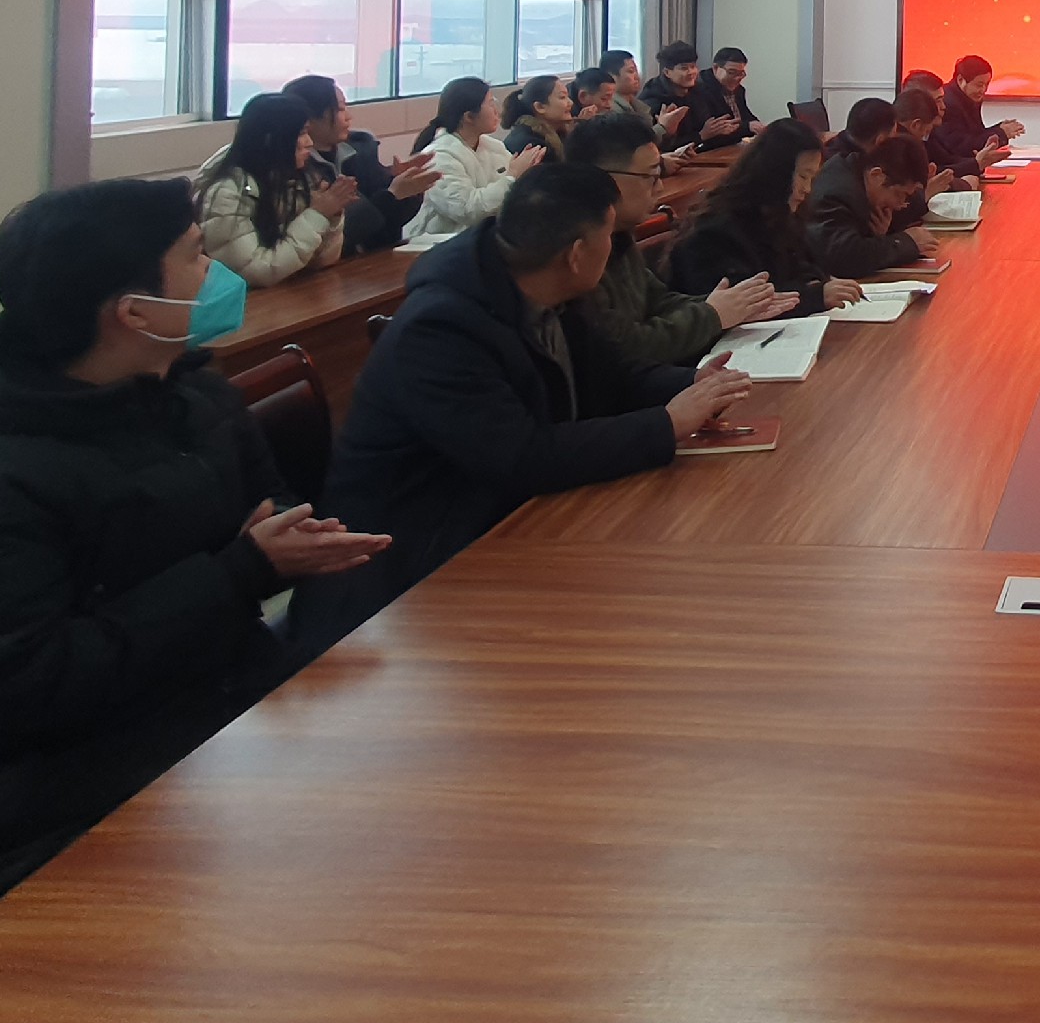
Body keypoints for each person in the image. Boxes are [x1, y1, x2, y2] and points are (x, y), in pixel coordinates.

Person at [0, 180, 387, 940]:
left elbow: (269, 509)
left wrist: (269, 549)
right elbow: (17, 689)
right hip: (80, 802)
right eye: (197, 256)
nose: (216, 274)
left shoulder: (192, 397)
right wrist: (240, 571)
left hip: (223, 716)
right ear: (135, 313)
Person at [304, 164, 751, 642]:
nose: (615, 247)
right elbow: (522, 456)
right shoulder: (441, 330)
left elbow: (612, 375)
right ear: (576, 254)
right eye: (608, 236)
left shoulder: (545, 286)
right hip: (408, 577)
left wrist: (692, 384)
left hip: (503, 522)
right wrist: (665, 424)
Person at [558, 112, 788, 384]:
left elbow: (657, 300)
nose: (659, 188)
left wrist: (735, 305)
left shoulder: (619, 235)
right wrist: (713, 315)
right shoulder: (576, 255)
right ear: (604, 179)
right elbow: (625, 347)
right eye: (651, 176)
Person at [666, 120, 856, 312]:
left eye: (812, 179)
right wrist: (815, 297)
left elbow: (803, 266)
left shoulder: (779, 214)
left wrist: (819, 281)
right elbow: (742, 303)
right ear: (776, 173)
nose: (807, 189)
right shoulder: (715, 230)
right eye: (802, 177)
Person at [194, 92, 352, 285]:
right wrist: (317, 215)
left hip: (289, 290)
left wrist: (331, 215)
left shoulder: (301, 177)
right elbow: (257, 272)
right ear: (272, 139)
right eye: (301, 133)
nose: (310, 143)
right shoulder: (227, 192)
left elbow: (323, 260)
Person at [281, 74, 439, 258]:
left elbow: (388, 223)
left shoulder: (361, 149)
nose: (349, 117)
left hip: (372, 258)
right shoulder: (293, 168)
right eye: (340, 109)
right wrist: (392, 195)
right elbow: (343, 233)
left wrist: (406, 189)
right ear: (310, 119)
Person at [404, 76, 545, 241]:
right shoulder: (438, 155)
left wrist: (526, 175)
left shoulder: (493, 146)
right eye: (490, 104)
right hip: (436, 243)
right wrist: (513, 176)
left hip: (480, 238)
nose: (496, 111)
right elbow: (467, 209)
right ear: (469, 116)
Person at [806, 132, 946, 277]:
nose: (900, 205)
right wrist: (906, 242)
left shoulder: (860, 174)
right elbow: (844, 258)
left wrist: (879, 237)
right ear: (877, 175)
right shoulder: (837, 193)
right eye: (899, 194)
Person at [934, 56, 1025, 172]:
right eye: (979, 85)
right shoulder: (948, 103)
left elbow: (976, 134)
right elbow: (961, 147)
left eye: (987, 84)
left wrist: (1000, 128)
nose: (983, 90)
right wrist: (1001, 133)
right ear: (961, 80)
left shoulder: (970, 98)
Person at [679, 47, 760, 149]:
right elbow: (718, 130)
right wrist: (747, 127)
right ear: (715, 68)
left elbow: (746, 116)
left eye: (741, 73)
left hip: (731, 146)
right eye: (731, 72)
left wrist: (758, 126)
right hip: (706, 150)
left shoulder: (739, 90)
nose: (737, 78)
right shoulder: (699, 90)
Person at [500, 74, 575, 160]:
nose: (571, 102)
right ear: (540, 107)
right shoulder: (534, 145)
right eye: (562, 97)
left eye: (567, 97)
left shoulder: (556, 133)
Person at [649, 42, 707, 152]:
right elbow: (657, 145)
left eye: (693, 66)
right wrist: (701, 136)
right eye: (684, 68)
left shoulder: (698, 90)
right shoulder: (654, 99)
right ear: (667, 72)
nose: (691, 72)